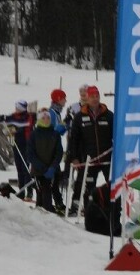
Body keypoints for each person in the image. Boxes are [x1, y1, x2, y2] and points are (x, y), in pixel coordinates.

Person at [67, 86, 114, 216]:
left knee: (113, 184)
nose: (95, 99)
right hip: (88, 158)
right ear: (86, 98)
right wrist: (74, 157)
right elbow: (73, 139)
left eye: (97, 96)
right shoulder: (79, 117)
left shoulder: (108, 115)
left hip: (106, 158)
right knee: (85, 185)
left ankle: (113, 208)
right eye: (92, 96)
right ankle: (83, 209)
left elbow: (116, 135)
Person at [26, 109, 64, 213]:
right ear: (39, 119)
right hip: (38, 171)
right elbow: (30, 154)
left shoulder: (55, 134)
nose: (46, 120)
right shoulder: (34, 134)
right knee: (40, 192)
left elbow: (59, 152)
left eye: (48, 118)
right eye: (43, 118)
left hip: (52, 170)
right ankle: (41, 212)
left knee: (49, 190)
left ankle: (49, 211)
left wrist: (52, 167)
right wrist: (42, 168)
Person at [7, 100, 34, 200]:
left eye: (18, 108)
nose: (16, 110)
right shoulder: (13, 116)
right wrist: (9, 129)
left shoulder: (27, 116)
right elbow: (8, 123)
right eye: (16, 108)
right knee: (19, 168)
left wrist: (16, 130)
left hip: (26, 144)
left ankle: (29, 191)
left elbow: (26, 126)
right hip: (17, 144)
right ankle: (21, 191)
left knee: (25, 169)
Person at [47, 89, 69, 214]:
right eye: (64, 98)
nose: (65, 101)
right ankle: (55, 203)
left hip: (56, 148)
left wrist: (65, 126)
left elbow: (59, 131)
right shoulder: (51, 113)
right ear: (58, 99)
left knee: (56, 177)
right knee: (54, 178)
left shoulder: (57, 113)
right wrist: (62, 127)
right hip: (51, 151)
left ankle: (58, 202)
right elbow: (51, 132)